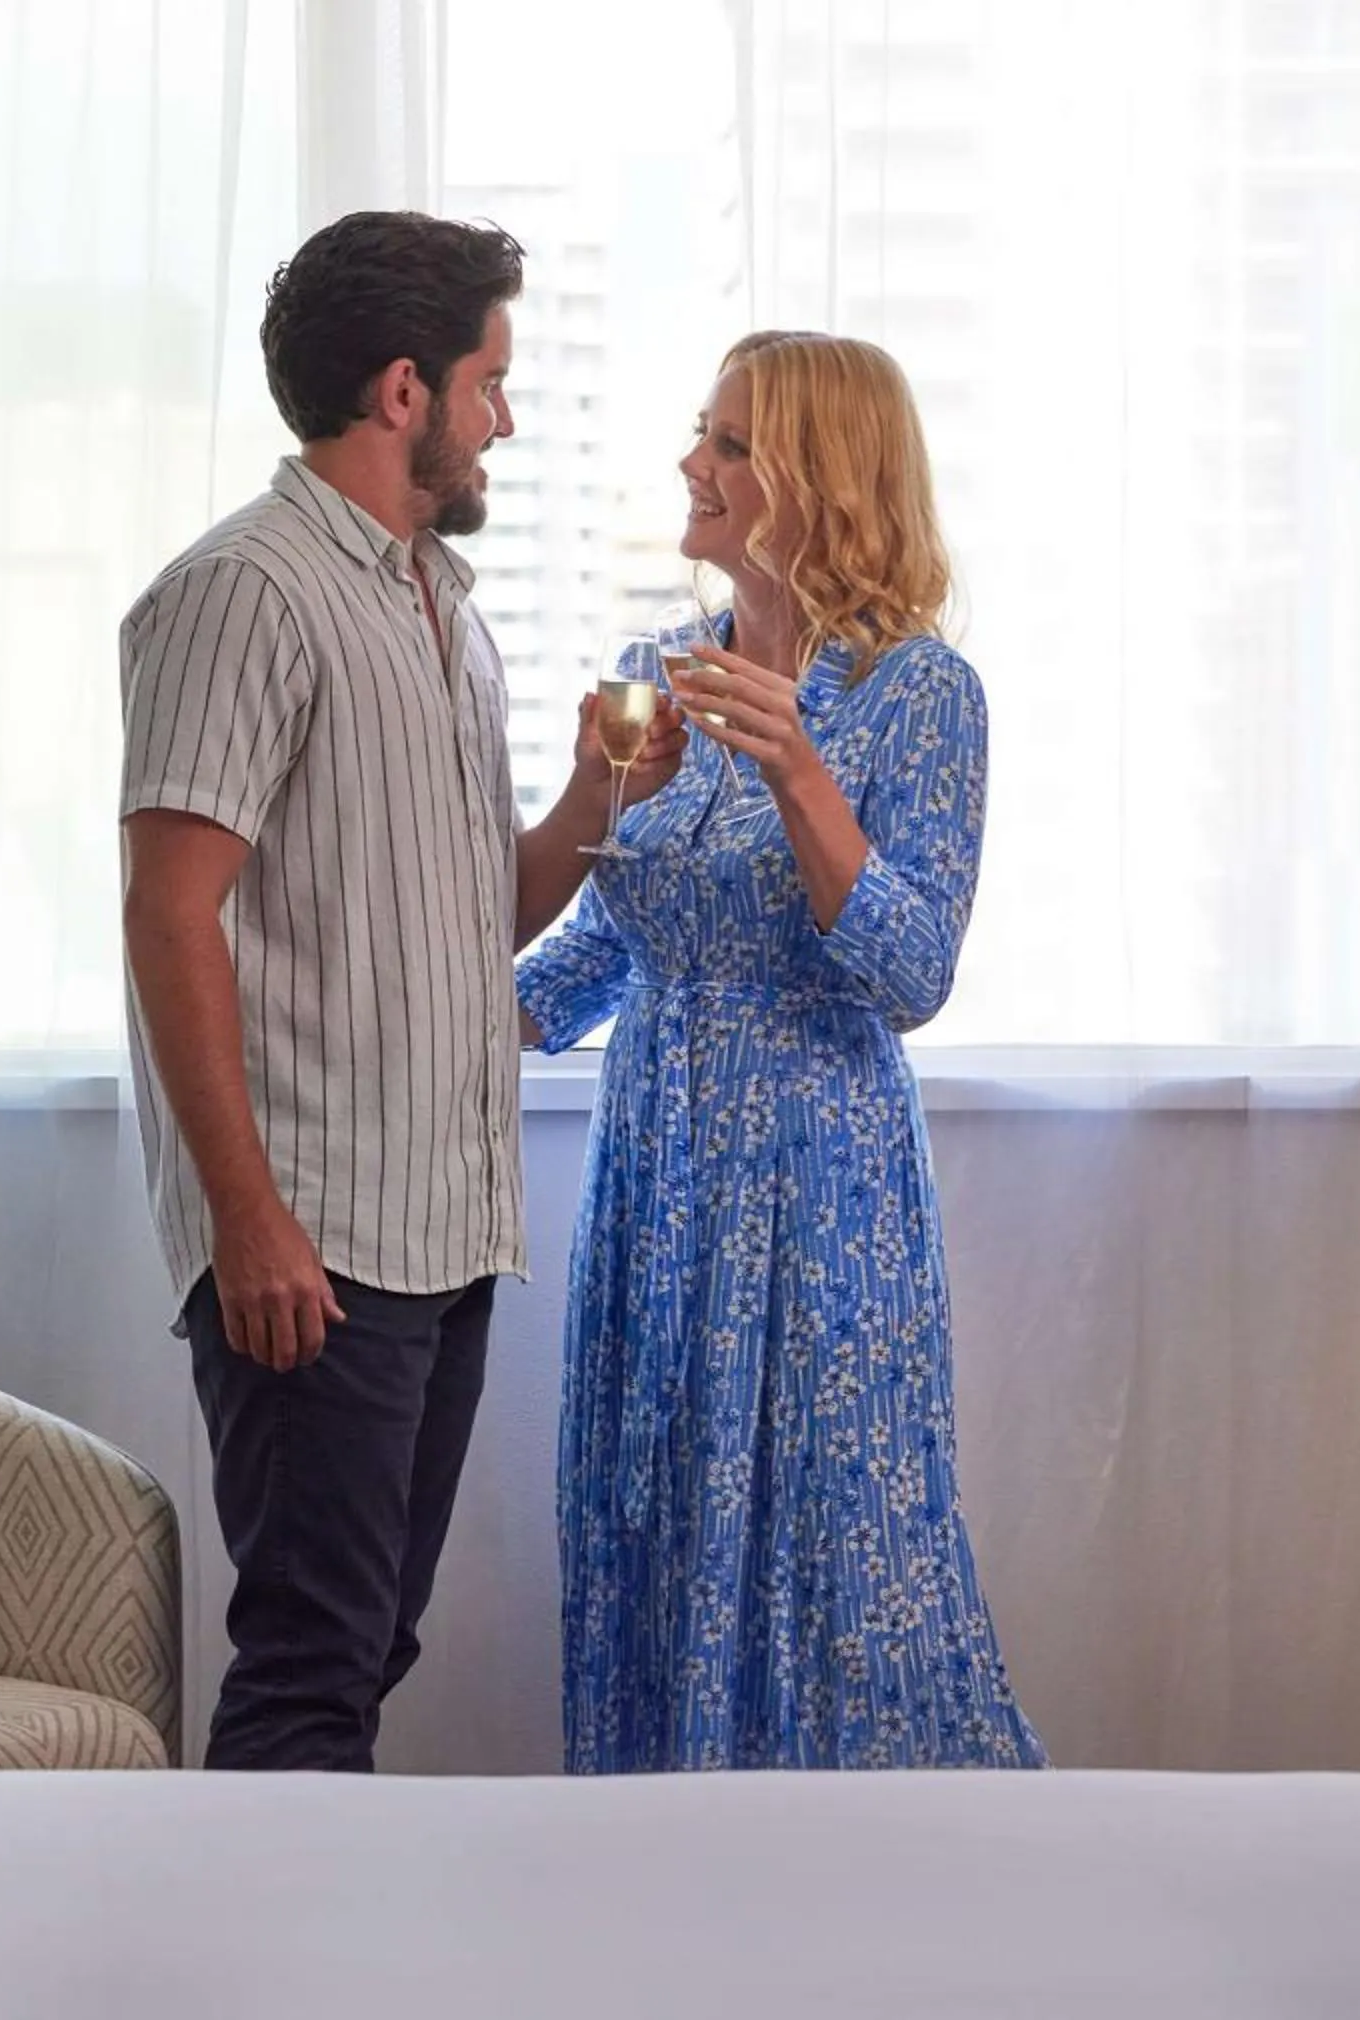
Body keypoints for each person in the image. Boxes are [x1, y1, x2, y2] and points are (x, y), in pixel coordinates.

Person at [118, 211, 686, 1772]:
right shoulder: (245, 593)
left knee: (371, 1645)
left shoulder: (443, 610)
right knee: (311, 1663)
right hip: (312, 1238)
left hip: (439, 1229)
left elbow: (464, 918)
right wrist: (247, 1221)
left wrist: (588, 800)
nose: (506, 416)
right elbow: (170, 920)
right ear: (401, 392)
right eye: (491, 381)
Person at [518, 330, 1044, 1772]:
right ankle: (670, 1924)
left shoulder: (922, 696)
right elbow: (614, 945)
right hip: (654, 1185)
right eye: (704, 434)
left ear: (820, 478)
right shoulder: (657, 676)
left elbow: (909, 969)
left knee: (842, 1566)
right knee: (652, 1532)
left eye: (732, 444)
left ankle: (900, 1929)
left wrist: (800, 768)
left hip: (822, 1198)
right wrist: (446, 1023)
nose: (694, 463)